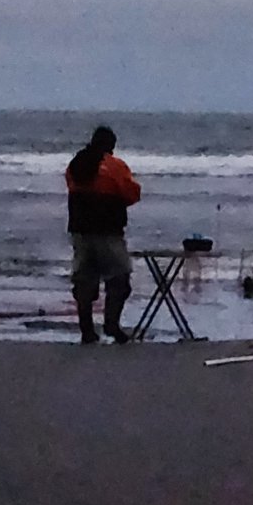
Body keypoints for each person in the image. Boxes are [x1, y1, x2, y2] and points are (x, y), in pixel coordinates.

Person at [65, 124, 142, 345]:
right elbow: (132, 193)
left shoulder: (75, 165)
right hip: (108, 232)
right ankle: (111, 324)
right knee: (119, 279)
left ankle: (87, 330)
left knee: (84, 281)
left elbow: (71, 186)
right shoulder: (115, 167)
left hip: (80, 232)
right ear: (111, 145)